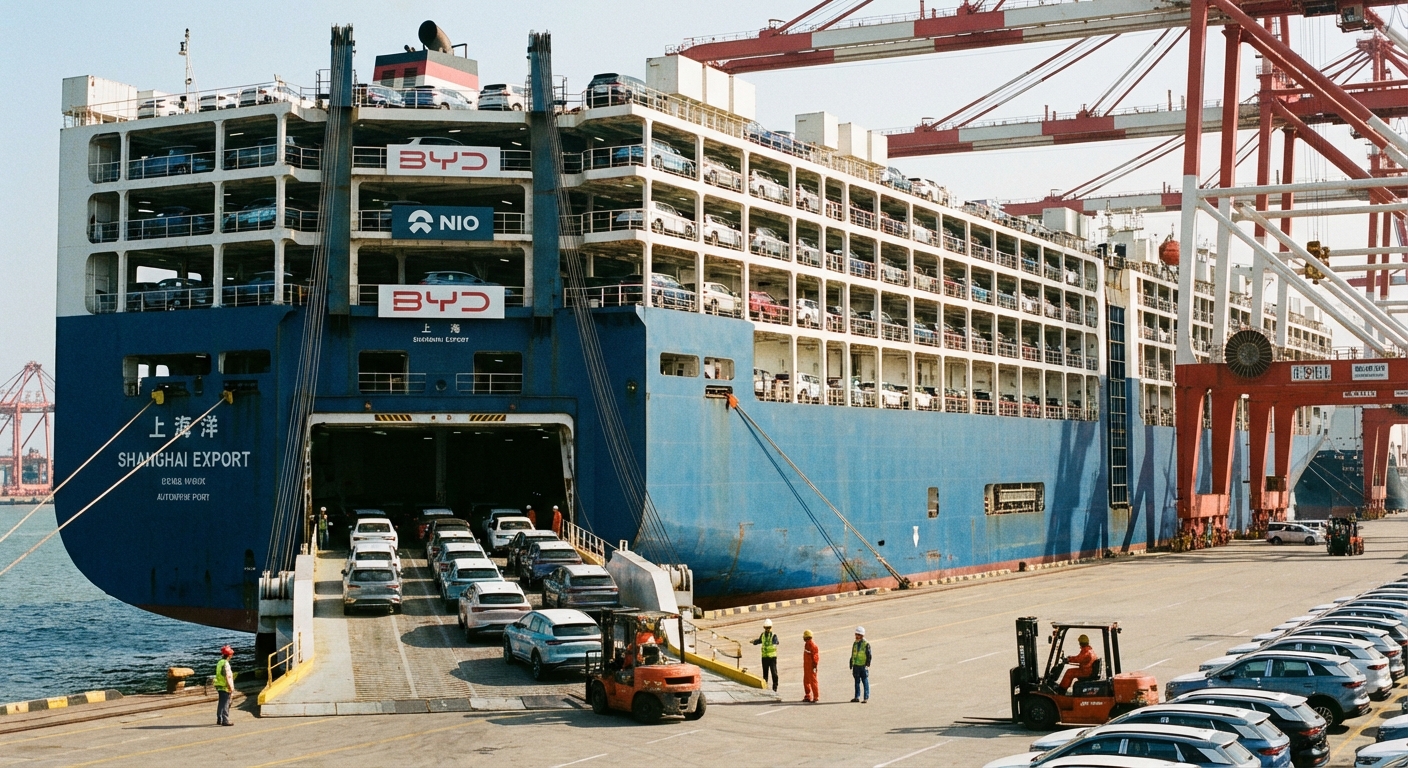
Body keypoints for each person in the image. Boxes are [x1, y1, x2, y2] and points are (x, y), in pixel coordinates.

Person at [751, 618, 780, 692]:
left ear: (771, 627)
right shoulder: (763, 635)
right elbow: (759, 640)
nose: (768, 629)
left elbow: (776, 642)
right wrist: (754, 642)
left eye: (769, 628)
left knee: (774, 673)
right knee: (765, 674)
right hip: (764, 657)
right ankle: (765, 687)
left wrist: (774, 643)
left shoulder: (773, 635)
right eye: (766, 628)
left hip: (772, 657)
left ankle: (775, 687)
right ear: (764, 628)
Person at [214, 645, 235, 726]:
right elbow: (228, 676)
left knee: (221, 703)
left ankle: (219, 718)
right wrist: (231, 687)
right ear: (229, 655)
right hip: (225, 686)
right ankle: (225, 720)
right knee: (226, 703)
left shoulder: (219, 662)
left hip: (219, 685)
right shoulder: (226, 664)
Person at [849, 626, 871, 703]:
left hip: (863, 665)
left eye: (858, 635)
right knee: (856, 682)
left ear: (862, 635)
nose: (856, 636)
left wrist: (867, 664)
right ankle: (857, 697)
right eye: (856, 634)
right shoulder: (855, 643)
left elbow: (869, 654)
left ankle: (866, 697)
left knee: (865, 681)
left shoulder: (866, 644)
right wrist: (851, 662)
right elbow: (853, 653)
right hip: (856, 665)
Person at [802, 629, 820, 703]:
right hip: (807, 667)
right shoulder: (807, 645)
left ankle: (815, 697)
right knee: (806, 681)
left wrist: (814, 666)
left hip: (811, 667)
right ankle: (808, 696)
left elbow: (815, 657)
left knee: (813, 682)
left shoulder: (813, 646)